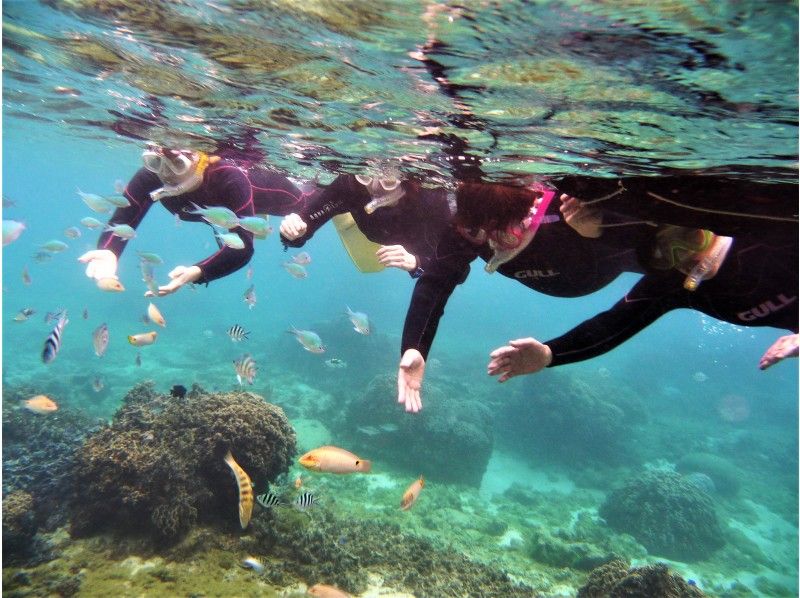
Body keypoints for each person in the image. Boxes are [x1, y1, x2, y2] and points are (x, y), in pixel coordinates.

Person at [396, 180, 798, 413]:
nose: (681, 255)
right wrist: (550, 354)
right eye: (660, 253)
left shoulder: (772, 238)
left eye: (690, 236)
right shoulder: (672, 284)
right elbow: (612, 326)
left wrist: (599, 231)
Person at [79, 145, 311, 295]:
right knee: (238, 223)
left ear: (199, 159)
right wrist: (109, 251)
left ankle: (268, 210)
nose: (166, 173)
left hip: (270, 196)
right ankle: (249, 218)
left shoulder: (229, 177)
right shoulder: (150, 176)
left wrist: (199, 271)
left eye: (177, 164)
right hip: (225, 212)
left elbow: (243, 248)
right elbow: (123, 219)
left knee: (304, 202)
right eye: (156, 162)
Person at [279, 173, 455, 276]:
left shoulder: (432, 199)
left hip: (414, 243)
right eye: (366, 176)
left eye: (388, 181)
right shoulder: (351, 186)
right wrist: (292, 232)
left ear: (405, 179)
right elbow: (304, 225)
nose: (374, 188)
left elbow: (456, 270)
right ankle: (345, 217)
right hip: (371, 230)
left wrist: (416, 263)